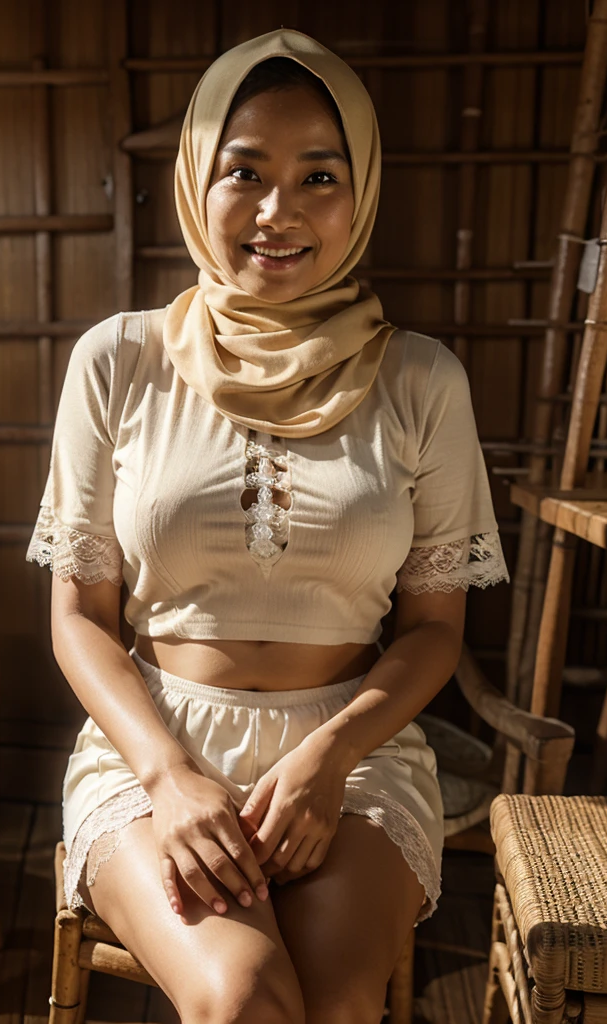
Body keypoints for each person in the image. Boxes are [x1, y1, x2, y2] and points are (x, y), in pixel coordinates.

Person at [26, 27, 508, 1024]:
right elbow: (78, 615)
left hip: (355, 748)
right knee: (242, 997)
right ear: (197, 182)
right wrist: (170, 776)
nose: (277, 211)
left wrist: (328, 758)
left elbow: (431, 631)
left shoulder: (422, 380)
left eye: (318, 176)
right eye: (243, 171)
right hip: (151, 743)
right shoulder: (116, 361)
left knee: (330, 1005)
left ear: (361, 191)